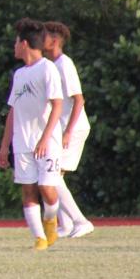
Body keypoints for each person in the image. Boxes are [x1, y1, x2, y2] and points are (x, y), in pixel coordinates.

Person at [0, 18, 65, 250]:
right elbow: (13, 111)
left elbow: (57, 105)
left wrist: (44, 139)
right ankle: (39, 238)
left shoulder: (48, 69)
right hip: (22, 142)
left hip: (47, 143)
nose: (14, 46)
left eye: (16, 42)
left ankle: (50, 219)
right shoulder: (19, 75)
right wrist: (4, 146)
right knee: (28, 190)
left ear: (24, 44)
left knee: (47, 189)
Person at [42, 21, 95, 238]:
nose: (40, 39)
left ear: (54, 41)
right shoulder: (51, 65)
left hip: (74, 128)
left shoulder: (65, 64)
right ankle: (65, 225)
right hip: (62, 129)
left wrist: (68, 131)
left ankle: (81, 221)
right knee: (53, 175)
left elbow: (79, 100)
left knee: (52, 175)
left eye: (45, 36)